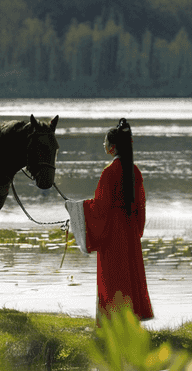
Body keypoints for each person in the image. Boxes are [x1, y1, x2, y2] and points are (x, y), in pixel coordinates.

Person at [66, 118, 153, 324]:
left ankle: (112, 322)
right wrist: (136, 229)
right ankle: (130, 319)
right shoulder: (134, 170)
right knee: (129, 276)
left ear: (112, 147)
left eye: (104, 142)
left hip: (113, 235)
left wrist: (76, 208)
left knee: (113, 277)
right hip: (129, 233)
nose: (103, 146)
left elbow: (99, 207)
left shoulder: (109, 172)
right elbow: (141, 205)